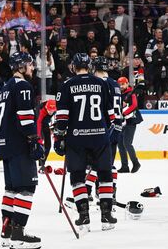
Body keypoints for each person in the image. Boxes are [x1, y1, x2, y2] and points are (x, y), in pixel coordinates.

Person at [54, 53, 117, 231]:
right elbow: (111, 116)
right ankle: (106, 216)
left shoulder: (67, 85)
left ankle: (84, 216)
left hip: (76, 139)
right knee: (105, 175)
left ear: (74, 66)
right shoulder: (102, 84)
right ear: (89, 66)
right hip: (100, 137)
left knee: (77, 177)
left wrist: (59, 136)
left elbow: (62, 118)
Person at [0, 52, 43, 249]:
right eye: (30, 65)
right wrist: (34, 139)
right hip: (17, 143)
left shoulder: (5, 88)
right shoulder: (23, 85)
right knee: (26, 188)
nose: (32, 68)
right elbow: (25, 116)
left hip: (4, 144)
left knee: (12, 189)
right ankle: (18, 234)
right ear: (22, 66)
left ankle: (7, 231)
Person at [89, 56, 122, 201]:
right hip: (117, 127)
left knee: (96, 162)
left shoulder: (99, 83)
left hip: (105, 127)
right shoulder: (115, 83)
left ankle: (89, 190)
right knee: (109, 163)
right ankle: (111, 192)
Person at [117, 76, 142, 173]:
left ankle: (136, 163)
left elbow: (134, 105)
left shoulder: (131, 93)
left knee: (127, 143)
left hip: (131, 120)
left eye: (123, 84)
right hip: (122, 121)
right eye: (120, 84)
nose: (121, 86)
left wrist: (124, 113)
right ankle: (124, 166)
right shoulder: (120, 94)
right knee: (120, 143)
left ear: (127, 83)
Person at [35, 99, 57, 168]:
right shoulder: (41, 110)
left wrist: (55, 128)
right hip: (37, 121)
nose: (51, 112)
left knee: (48, 145)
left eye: (52, 111)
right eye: (49, 110)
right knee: (40, 143)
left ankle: (42, 163)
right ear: (46, 108)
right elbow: (38, 124)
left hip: (45, 123)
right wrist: (39, 139)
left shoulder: (56, 108)